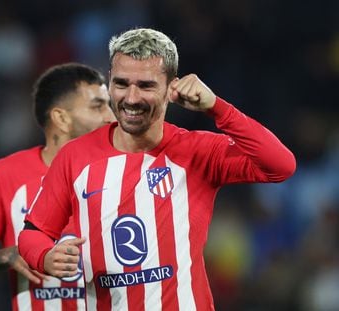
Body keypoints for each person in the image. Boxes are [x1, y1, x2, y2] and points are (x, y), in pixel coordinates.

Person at [18, 28, 296, 310]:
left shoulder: (196, 151)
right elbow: (32, 233)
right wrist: (46, 256)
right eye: (122, 83)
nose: (132, 98)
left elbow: (280, 165)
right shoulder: (75, 157)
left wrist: (217, 108)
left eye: (146, 86)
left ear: (170, 89)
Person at [0, 62, 115, 311]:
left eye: (109, 105)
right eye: (98, 106)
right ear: (61, 118)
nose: (111, 117)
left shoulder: (123, 170)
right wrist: (7, 255)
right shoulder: (6, 175)